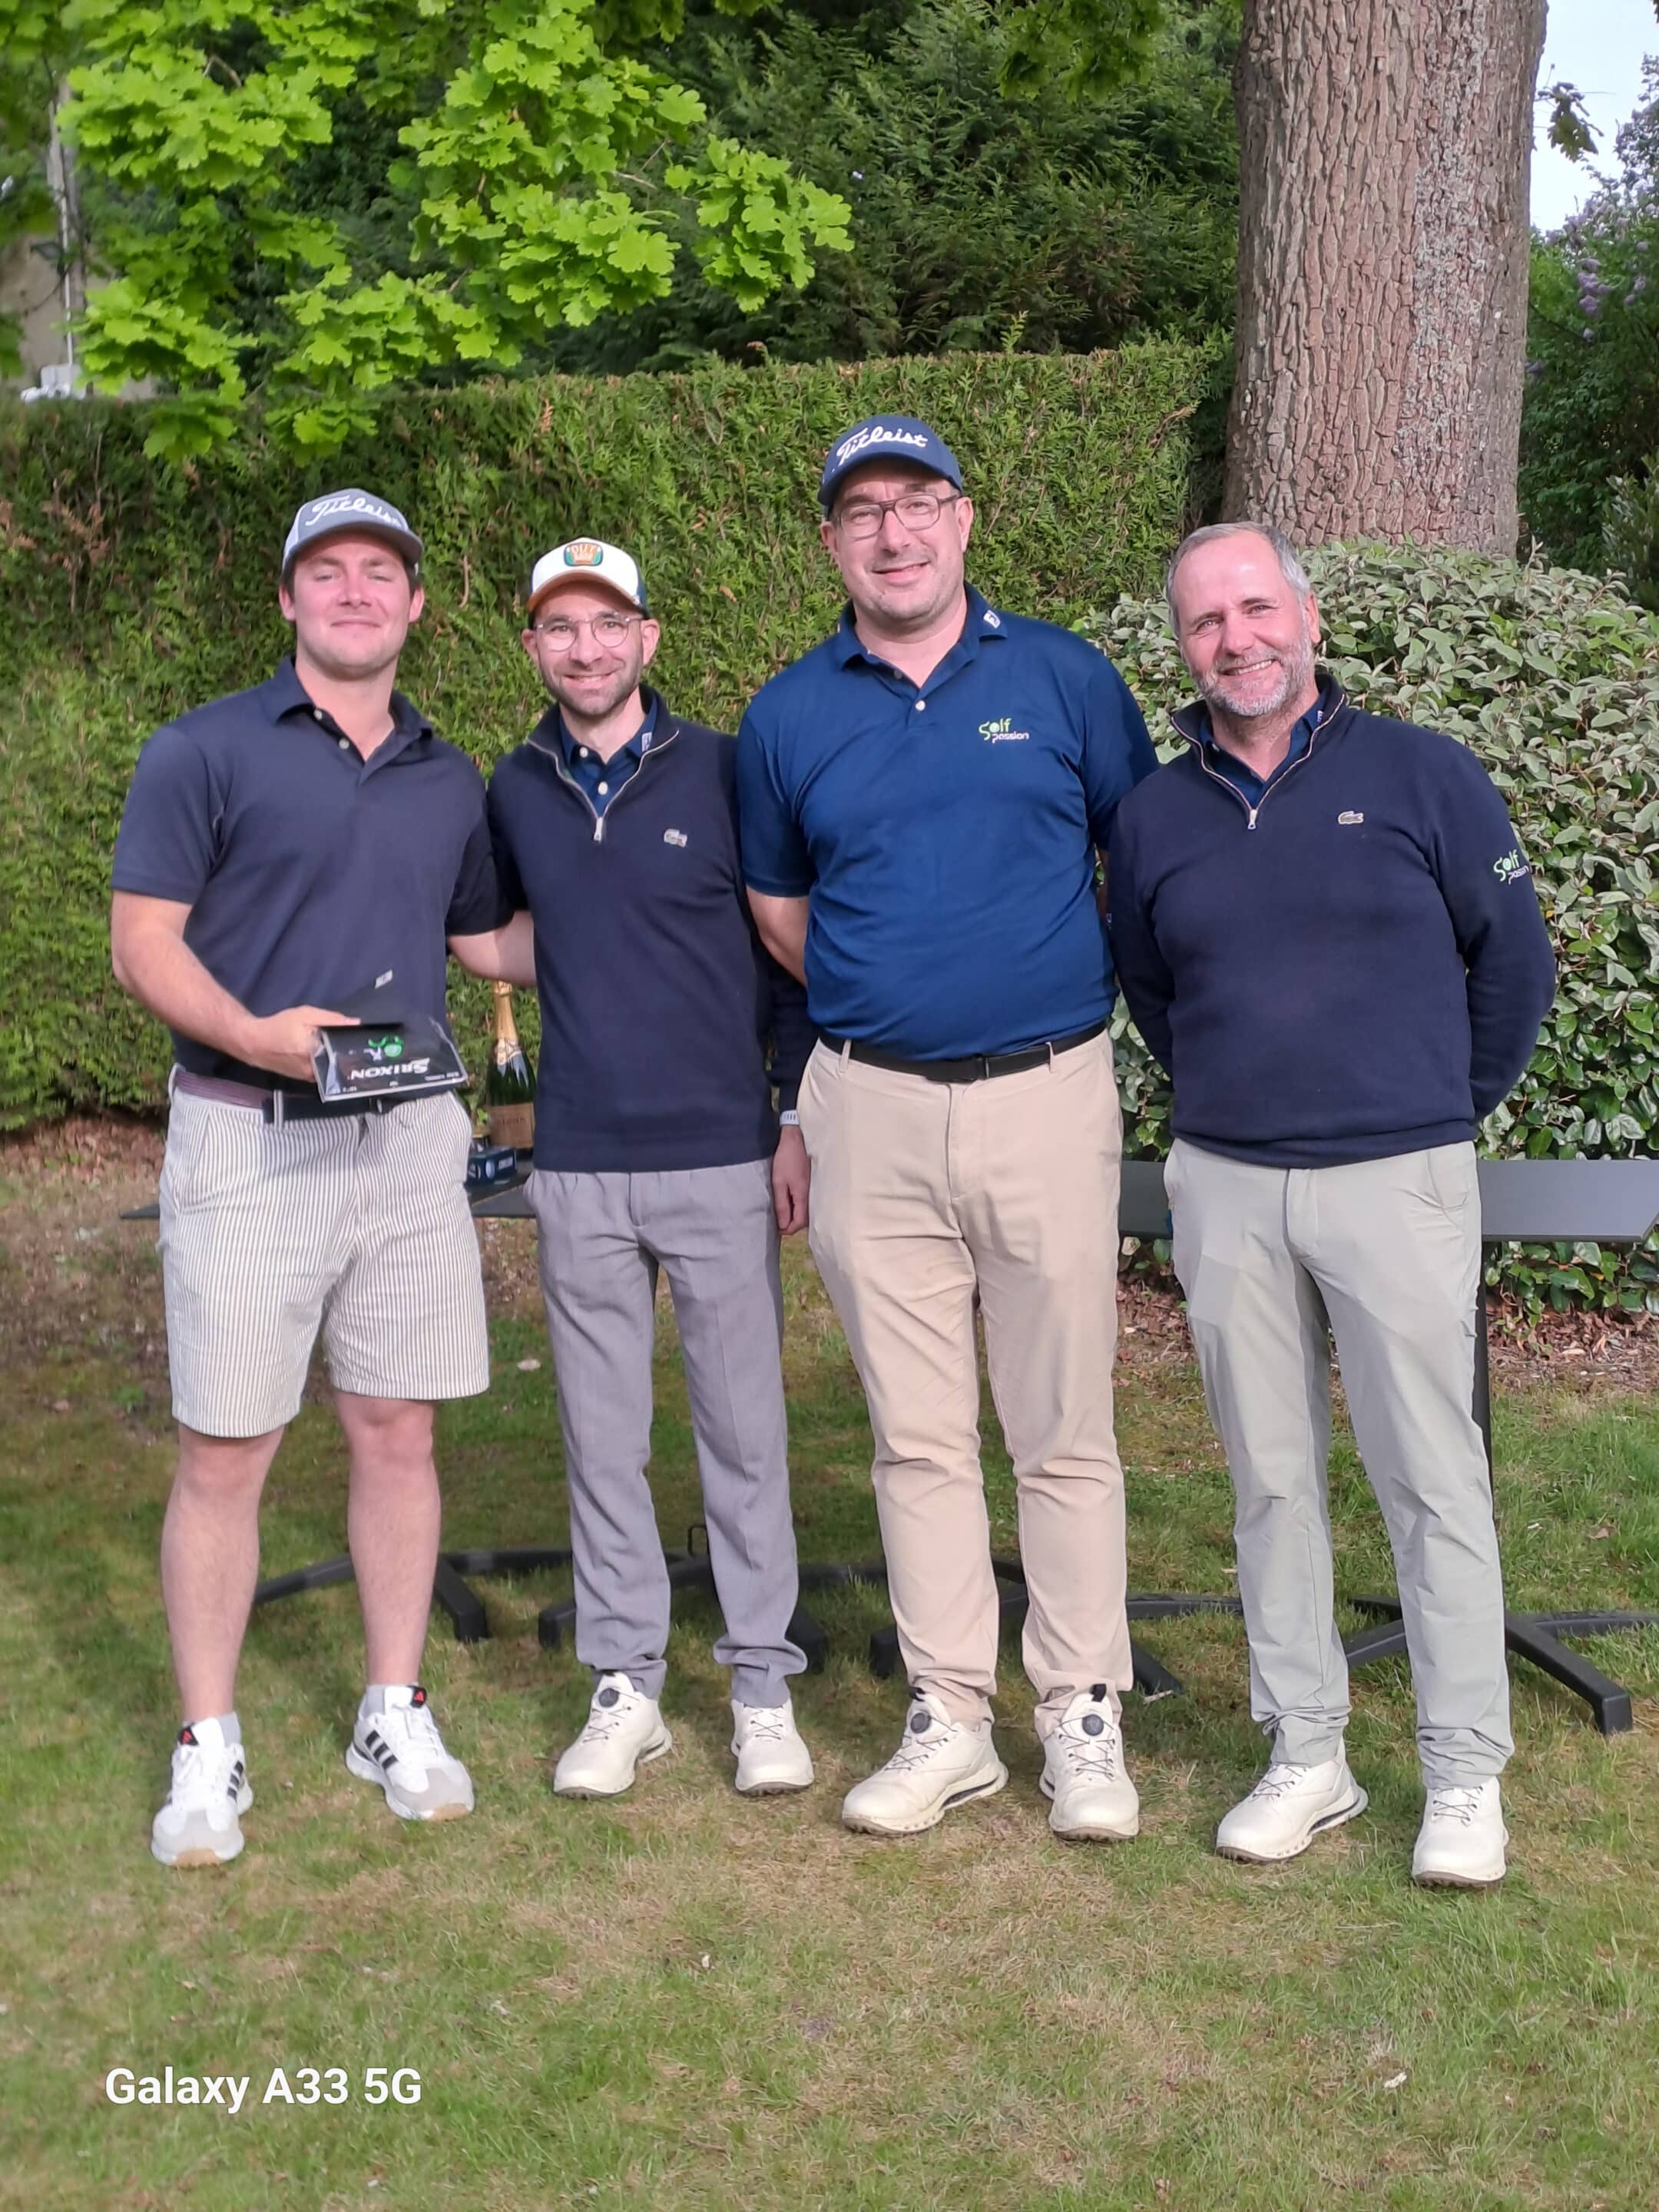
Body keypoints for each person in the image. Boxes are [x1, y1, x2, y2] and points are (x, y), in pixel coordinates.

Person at [1108, 522, 1557, 1888]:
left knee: (1431, 1476)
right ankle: (1308, 1751)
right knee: (1269, 1478)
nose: (1235, 639)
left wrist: (1426, 1109)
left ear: (1306, 617)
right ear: (1182, 646)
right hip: (1229, 1184)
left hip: (1395, 1177)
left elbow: (1514, 966)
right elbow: (1154, 992)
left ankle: (1464, 1770)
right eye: (1206, 621)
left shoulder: (1425, 774)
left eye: (1256, 609)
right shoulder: (1153, 815)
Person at [737, 416, 1158, 1840]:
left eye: (919, 502)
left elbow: (1138, 861)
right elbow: (781, 913)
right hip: (871, 1109)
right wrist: (891, 1002)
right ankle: (953, 1714)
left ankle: (1081, 1710)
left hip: (1047, 1093)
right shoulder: (789, 716)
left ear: (965, 520)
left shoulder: (1063, 678)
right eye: (864, 512)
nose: (895, 532)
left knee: (1063, 1425)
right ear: (831, 543)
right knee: (915, 1437)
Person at [111, 489, 506, 1868]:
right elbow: (144, 943)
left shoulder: (449, 776)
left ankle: (392, 1710)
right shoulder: (202, 749)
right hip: (250, 1131)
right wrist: (254, 1033)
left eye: (378, 573)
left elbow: (488, 944)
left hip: (407, 1141)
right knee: (227, 1449)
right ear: (287, 599)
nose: (353, 592)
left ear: (415, 604)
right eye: (325, 572)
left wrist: (652, 904)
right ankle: (206, 1746)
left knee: (397, 1429)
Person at [452, 537, 817, 1798]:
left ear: (649, 639)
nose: (587, 647)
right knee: (602, 1438)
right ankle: (625, 1685)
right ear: (532, 647)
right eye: (561, 626)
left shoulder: (724, 769)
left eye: (610, 623)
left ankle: (762, 1684)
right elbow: (495, 937)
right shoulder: (514, 786)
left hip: (720, 1152)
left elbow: (787, 957)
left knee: (744, 1432)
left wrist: (792, 1114)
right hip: (580, 1160)